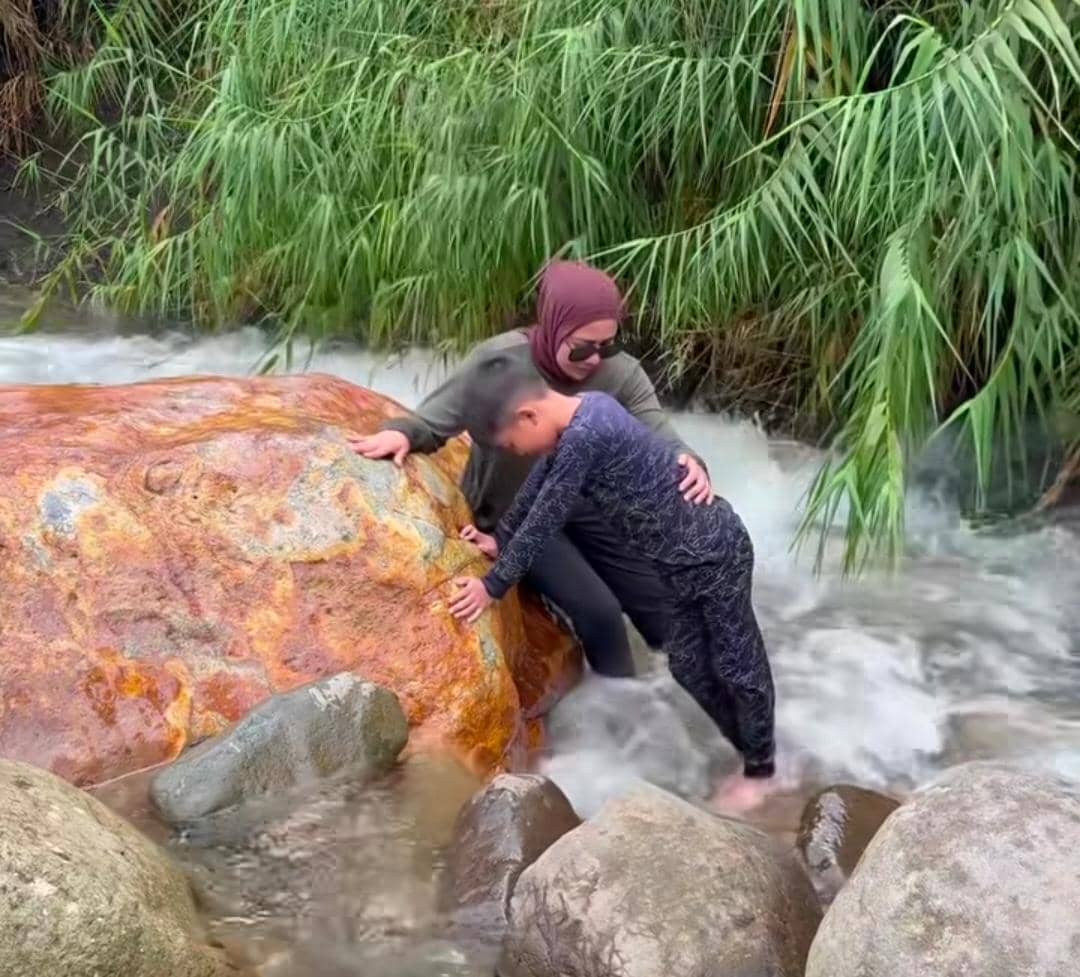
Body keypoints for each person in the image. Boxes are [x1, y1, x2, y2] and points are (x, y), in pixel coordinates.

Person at [349, 260, 712, 678]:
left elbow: (659, 431)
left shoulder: (621, 372)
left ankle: (685, 711)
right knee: (601, 614)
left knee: (663, 603)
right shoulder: (500, 363)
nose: (596, 359)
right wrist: (403, 433)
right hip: (512, 514)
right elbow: (434, 421)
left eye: (607, 345)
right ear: (553, 326)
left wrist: (688, 460)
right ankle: (620, 710)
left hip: (582, 502)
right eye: (582, 347)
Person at [447, 352, 777, 812]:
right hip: (676, 564)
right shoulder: (584, 409)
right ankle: (744, 745)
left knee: (739, 663)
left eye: (513, 443)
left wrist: (491, 587)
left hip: (714, 555)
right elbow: (536, 489)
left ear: (529, 414)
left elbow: (545, 519)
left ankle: (762, 769)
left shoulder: (588, 435)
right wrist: (499, 539)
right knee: (688, 663)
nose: (517, 453)